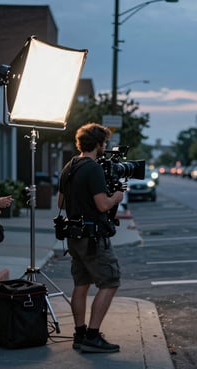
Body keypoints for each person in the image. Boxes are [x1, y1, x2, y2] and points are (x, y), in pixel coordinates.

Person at [57, 123, 124, 353]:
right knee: (110, 282)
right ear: (98, 144)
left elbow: (60, 203)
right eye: (104, 143)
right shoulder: (93, 168)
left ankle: (80, 334)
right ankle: (93, 337)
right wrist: (116, 196)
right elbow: (103, 204)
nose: (105, 147)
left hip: (74, 236)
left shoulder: (69, 166)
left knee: (81, 284)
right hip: (93, 238)